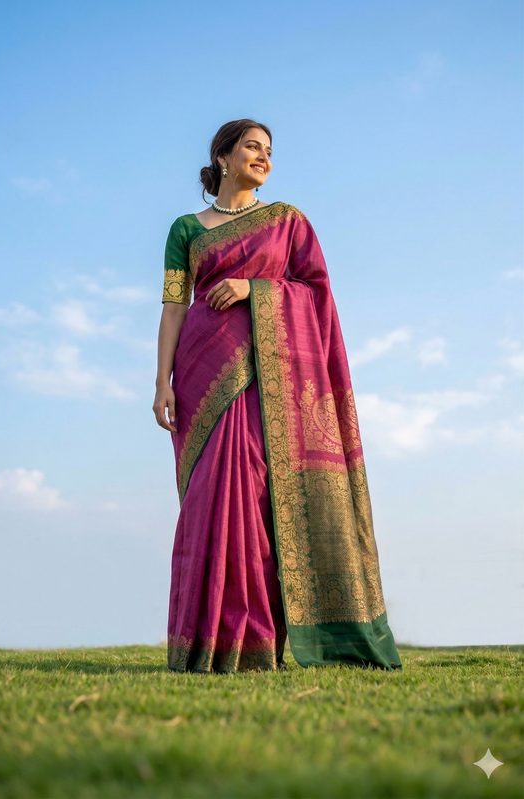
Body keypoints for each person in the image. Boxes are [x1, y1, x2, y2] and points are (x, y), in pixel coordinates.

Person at [153, 119, 402, 673]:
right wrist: (161, 379)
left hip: (270, 379)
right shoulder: (184, 230)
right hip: (201, 372)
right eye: (252, 147)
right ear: (222, 156)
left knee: (258, 494)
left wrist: (253, 287)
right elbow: (173, 305)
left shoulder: (288, 222)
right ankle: (206, 642)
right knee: (209, 500)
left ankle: (259, 641)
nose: (263, 157)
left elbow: (316, 291)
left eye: (269, 151)